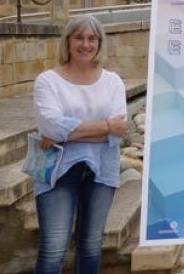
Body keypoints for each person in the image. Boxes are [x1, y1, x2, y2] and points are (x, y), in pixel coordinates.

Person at [32, 15, 128, 274]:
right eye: (79, 37)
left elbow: (119, 131)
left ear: (99, 43)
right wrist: (105, 127)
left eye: (92, 38)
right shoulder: (47, 81)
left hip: (102, 170)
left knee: (91, 246)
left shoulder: (112, 81)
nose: (85, 44)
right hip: (56, 171)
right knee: (53, 250)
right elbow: (51, 126)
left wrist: (67, 132)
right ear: (68, 41)